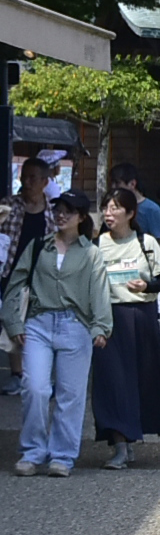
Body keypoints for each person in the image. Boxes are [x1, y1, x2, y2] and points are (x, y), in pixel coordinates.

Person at [4, 192, 112, 477]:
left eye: (68, 210)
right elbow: (15, 284)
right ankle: (32, 451)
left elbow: (100, 291)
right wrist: (14, 323)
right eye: (58, 210)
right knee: (35, 388)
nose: (61, 215)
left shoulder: (90, 252)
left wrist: (101, 326)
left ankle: (62, 455)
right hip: (38, 323)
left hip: (75, 325)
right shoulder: (39, 246)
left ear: (81, 217)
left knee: (71, 394)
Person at [93, 187, 160, 468]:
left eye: (115, 208)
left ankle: (132, 437)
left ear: (130, 213)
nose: (108, 213)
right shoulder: (96, 244)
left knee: (140, 379)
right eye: (106, 207)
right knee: (111, 382)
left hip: (141, 315)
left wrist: (146, 285)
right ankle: (118, 444)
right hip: (108, 317)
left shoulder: (146, 242)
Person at [0, 156, 52, 398]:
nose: (27, 182)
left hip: (43, 273)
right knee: (12, 321)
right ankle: (17, 374)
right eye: (24, 176)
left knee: (40, 322)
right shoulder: (8, 205)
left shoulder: (53, 210)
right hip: (11, 270)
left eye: (33, 177)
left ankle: (40, 374)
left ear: (45, 181)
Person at [108, 163, 160, 247]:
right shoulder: (111, 206)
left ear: (132, 184)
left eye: (117, 183)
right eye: (112, 183)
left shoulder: (151, 209)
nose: (113, 187)